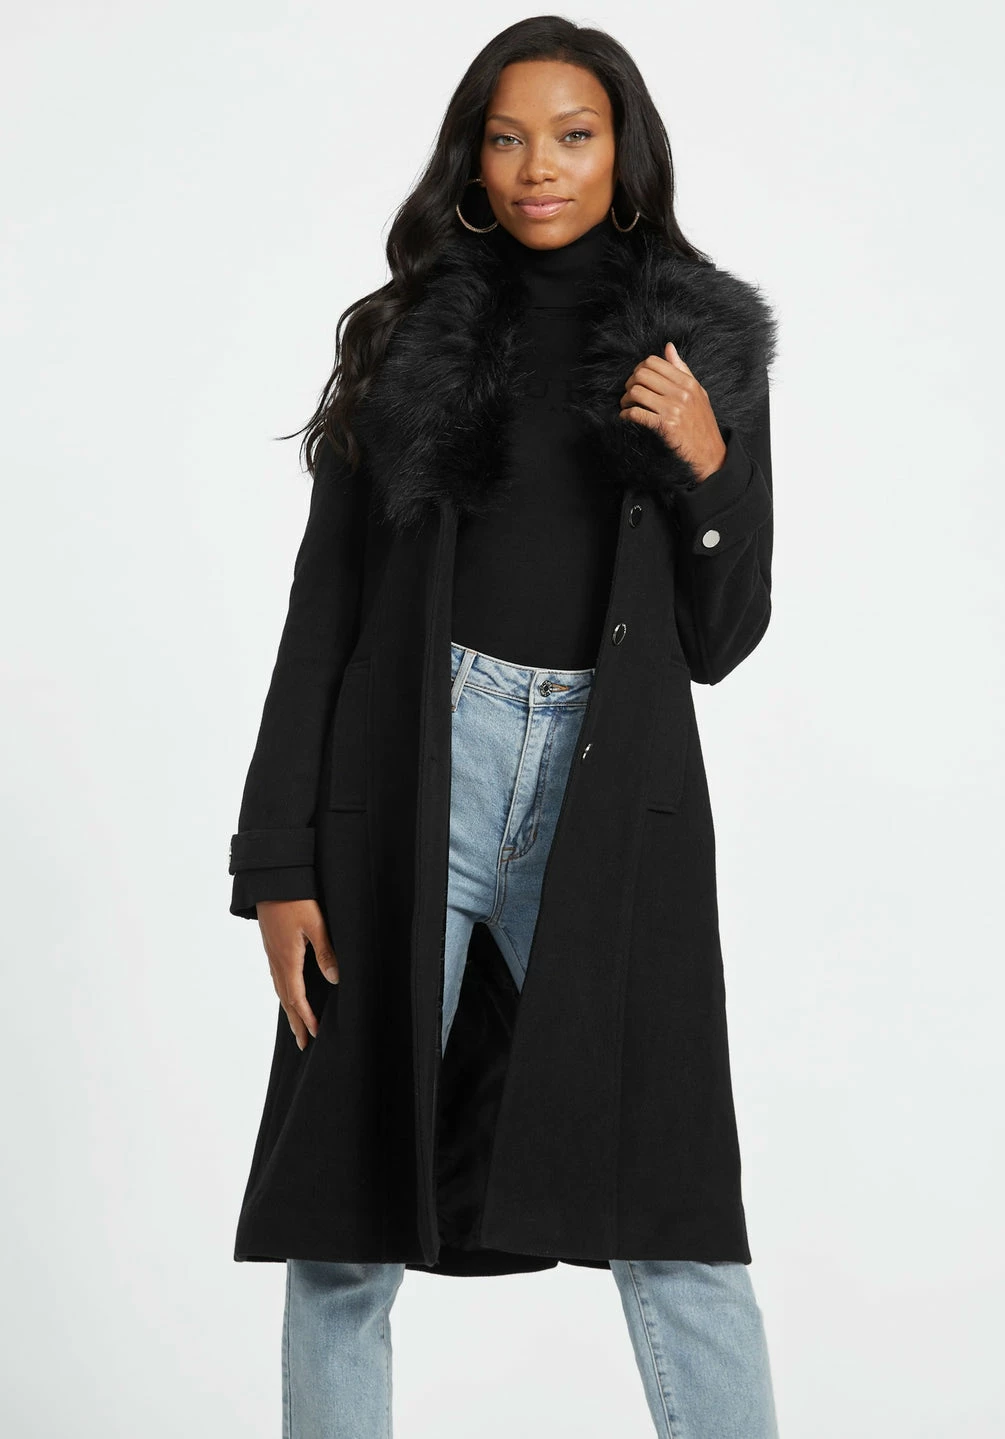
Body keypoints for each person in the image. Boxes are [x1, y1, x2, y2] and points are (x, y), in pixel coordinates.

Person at [227, 17, 781, 1438]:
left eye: (575, 136)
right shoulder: (408, 340)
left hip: (611, 789)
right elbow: (324, 611)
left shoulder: (702, 347)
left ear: (624, 154)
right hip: (412, 777)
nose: (542, 165)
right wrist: (278, 860)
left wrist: (708, 463)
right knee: (343, 1210)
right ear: (473, 161)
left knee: (673, 1205)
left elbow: (723, 638)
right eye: (510, 137)